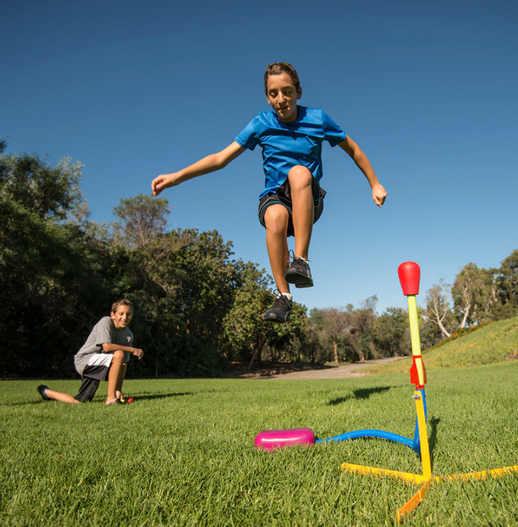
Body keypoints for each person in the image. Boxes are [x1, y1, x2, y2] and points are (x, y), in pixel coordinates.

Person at [151, 62, 387, 322]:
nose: (281, 99)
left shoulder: (317, 119)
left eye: (287, 91)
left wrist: (374, 183)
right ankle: (284, 297)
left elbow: (353, 148)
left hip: (308, 198)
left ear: (298, 91)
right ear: (267, 97)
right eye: (274, 93)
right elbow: (220, 158)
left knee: (298, 173)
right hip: (275, 197)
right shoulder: (261, 123)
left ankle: (301, 261)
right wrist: (177, 177)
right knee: (274, 218)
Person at [37, 300, 143, 405]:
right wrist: (133, 349)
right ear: (112, 314)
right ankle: (110, 400)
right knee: (119, 353)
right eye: (121, 314)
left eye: (128, 314)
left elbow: (123, 364)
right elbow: (106, 347)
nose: (124, 317)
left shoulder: (129, 335)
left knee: (80, 402)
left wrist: (118, 390)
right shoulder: (105, 322)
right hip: (85, 361)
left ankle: (46, 392)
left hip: (101, 364)